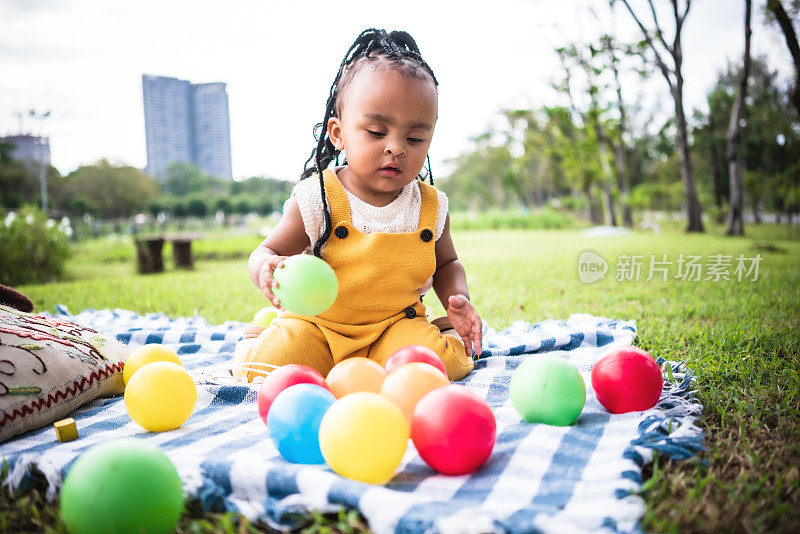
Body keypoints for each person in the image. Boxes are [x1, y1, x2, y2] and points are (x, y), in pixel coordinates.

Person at [238, 28, 483, 382]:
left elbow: (447, 263)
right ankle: (259, 340)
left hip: (395, 326)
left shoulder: (429, 206)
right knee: (271, 369)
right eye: (377, 132)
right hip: (318, 326)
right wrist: (267, 266)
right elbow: (267, 249)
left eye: (415, 138)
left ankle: (441, 331)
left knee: (444, 368)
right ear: (339, 133)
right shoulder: (317, 197)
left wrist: (457, 299)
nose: (396, 147)